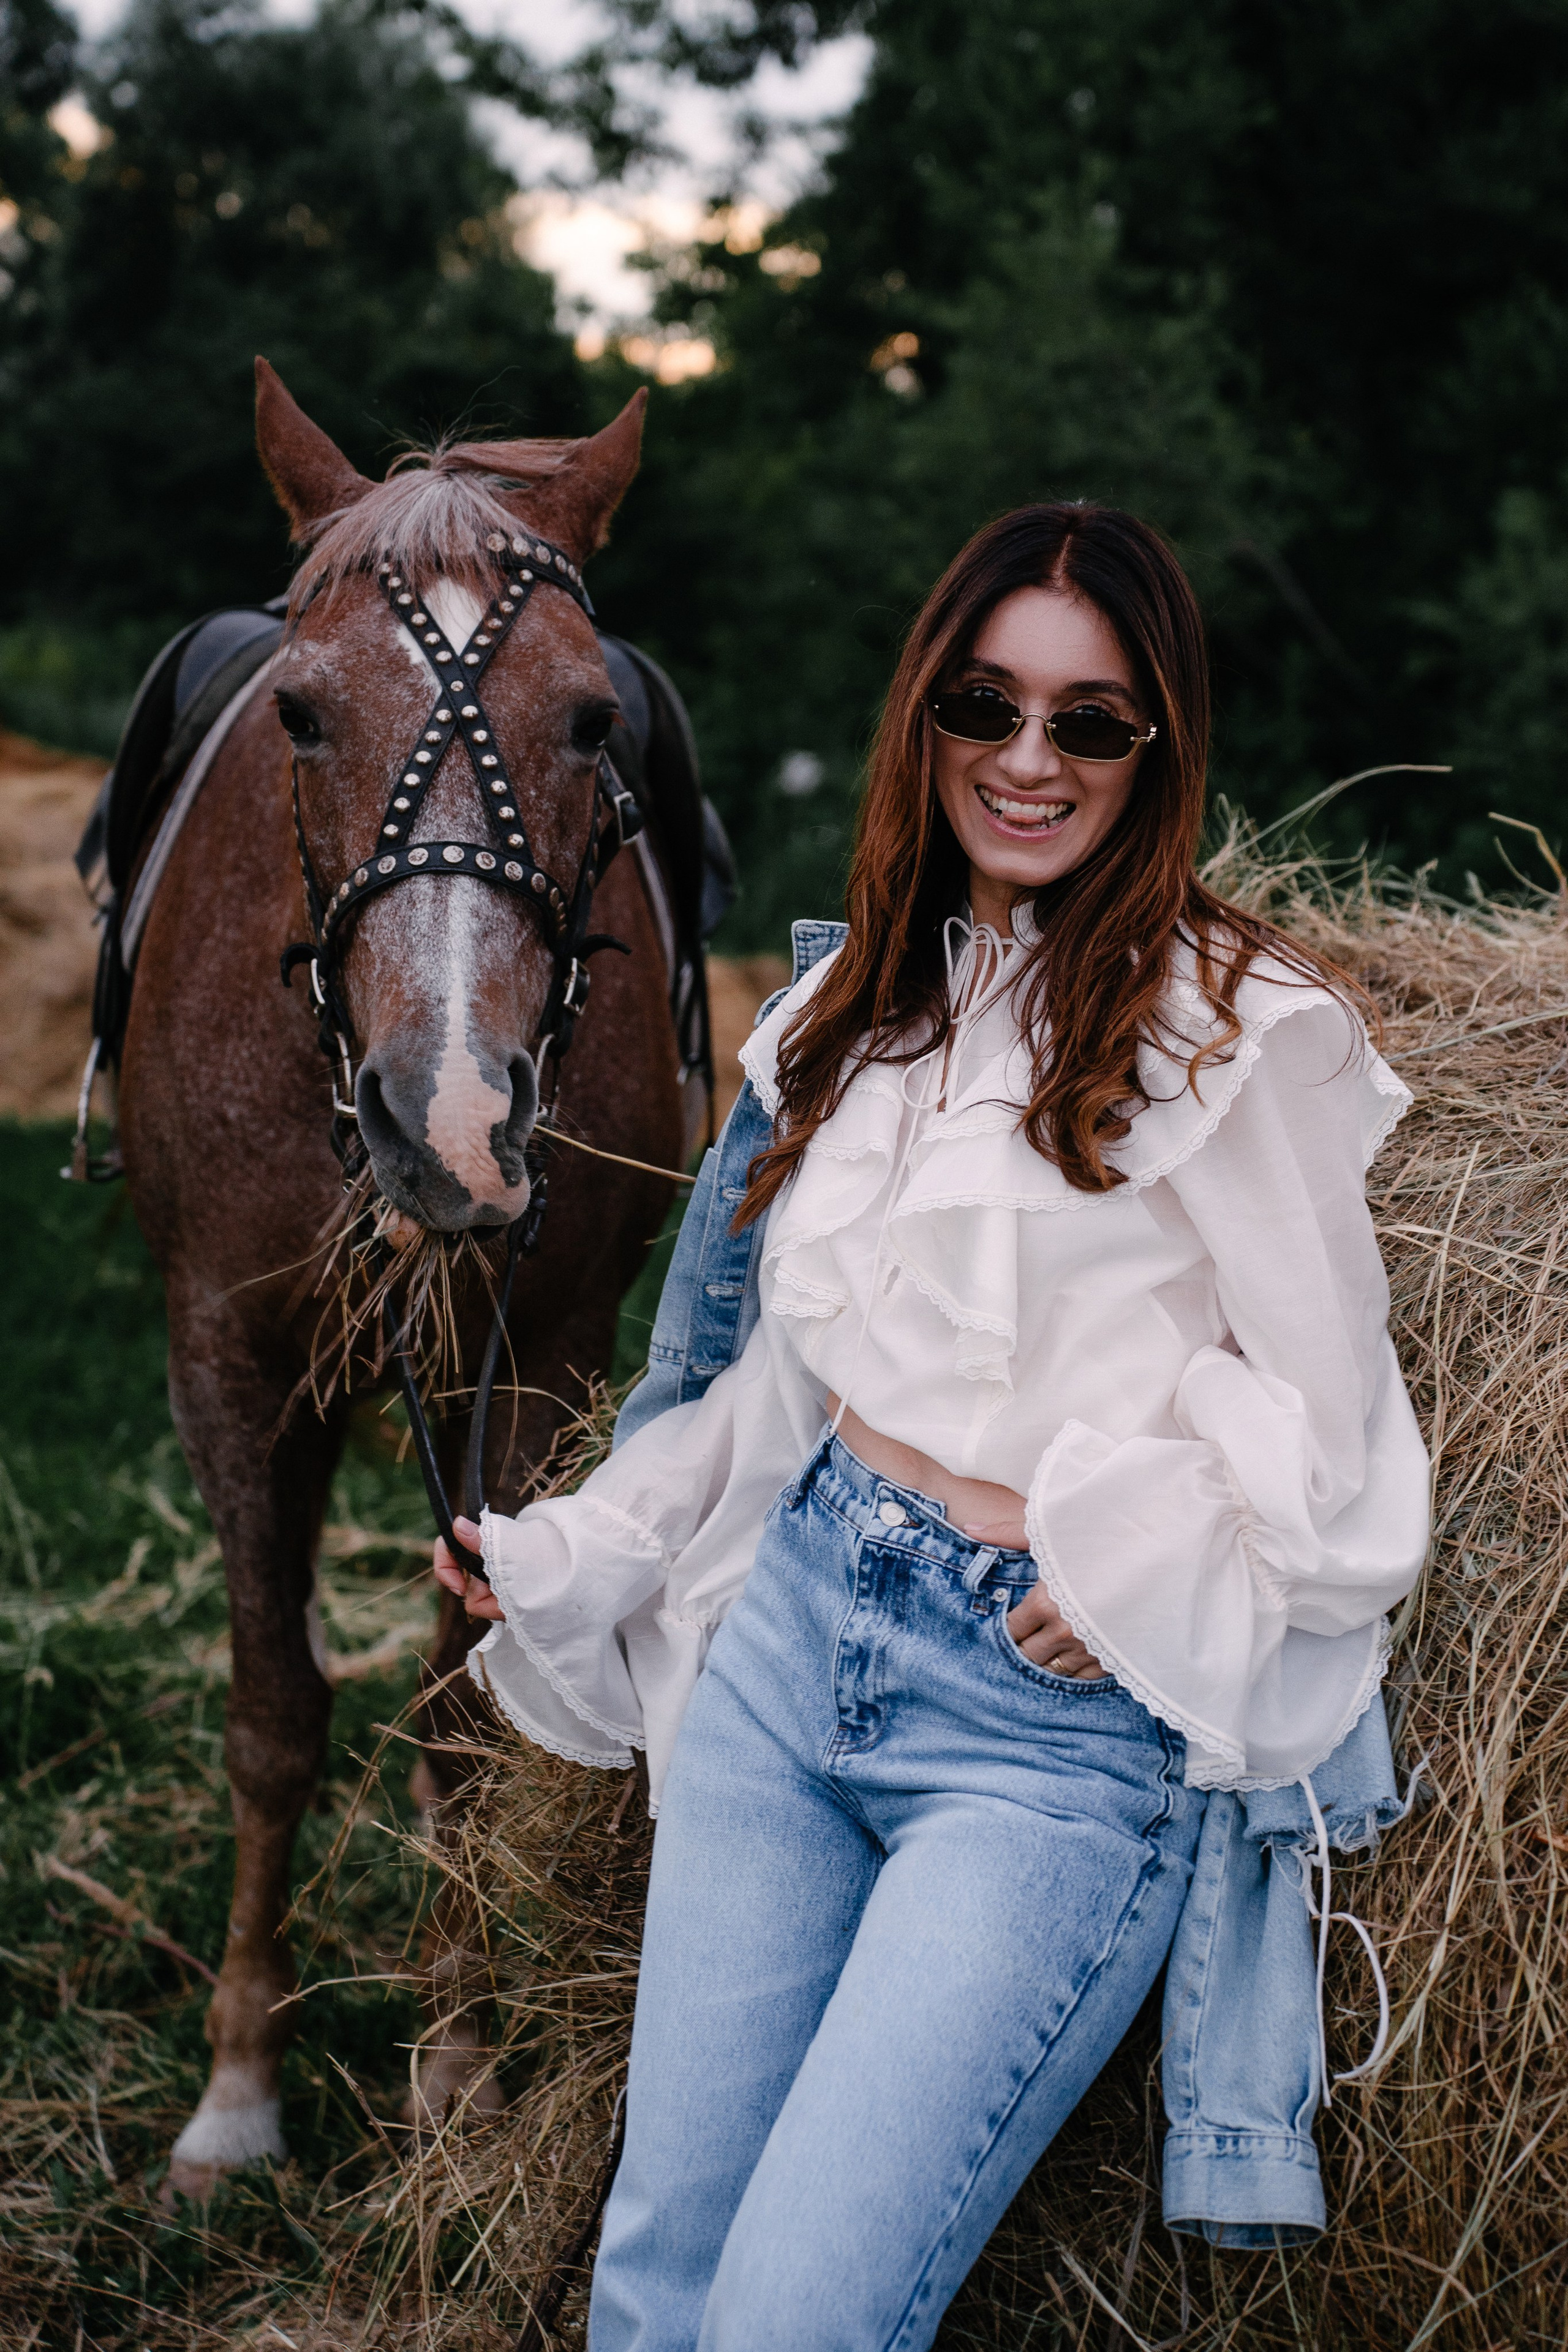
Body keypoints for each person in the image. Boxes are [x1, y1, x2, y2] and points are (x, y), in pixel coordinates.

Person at [434, 503, 1430, 2351]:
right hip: (794, 1647)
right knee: (657, 2290)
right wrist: (582, 1544)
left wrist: (1149, 1555)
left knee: (790, 2325)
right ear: (926, 718)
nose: (1030, 759)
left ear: (1161, 746)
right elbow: (780, 1397)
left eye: (1092, 720)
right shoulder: (844, 1016)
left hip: (1041, 1743)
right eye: (988, 704)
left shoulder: (1235, 1037)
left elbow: (1343, 1450)